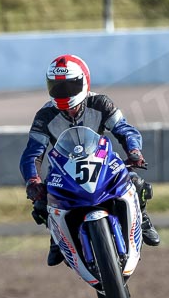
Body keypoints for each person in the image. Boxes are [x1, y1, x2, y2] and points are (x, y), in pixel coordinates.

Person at [19, 54, 160, 267]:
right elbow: (32, 153)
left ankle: (143, 218)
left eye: (70, 86)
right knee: (42, 202)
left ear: (84, 81)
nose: (64, 93)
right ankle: (57, 238)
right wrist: (33, 180)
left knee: (135, 182)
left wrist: (134, 151)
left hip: (102, 162)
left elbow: (125, 130)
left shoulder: (101, 103)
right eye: (57, 87)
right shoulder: (44, 116)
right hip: (64, 171)